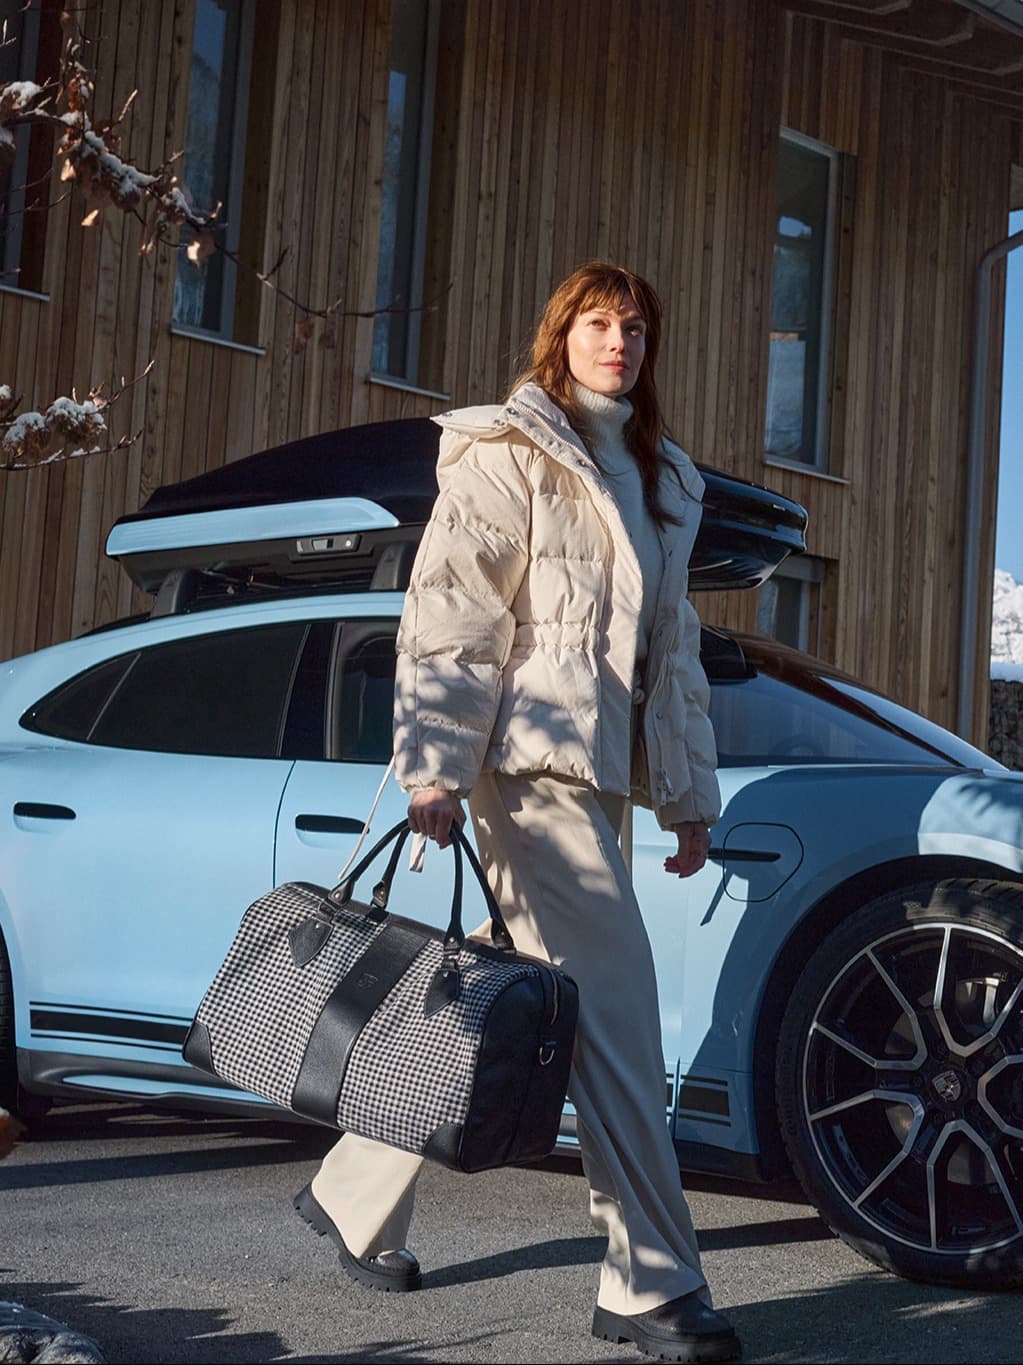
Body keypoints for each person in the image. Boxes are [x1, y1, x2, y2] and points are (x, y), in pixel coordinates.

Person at [292, 261, 741, 1365]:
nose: (619, 342)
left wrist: (687, 795)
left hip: (604, 782)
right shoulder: (508, 454)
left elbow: (668, 656)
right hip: (522, 770)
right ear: (560, 335)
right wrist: (432, 766)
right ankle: (650, 1278)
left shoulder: (663, 478)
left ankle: (352, 1194)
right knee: (618, 1016)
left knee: (486, 994)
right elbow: (453, 614)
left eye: (636, 326)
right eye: (598, 323)